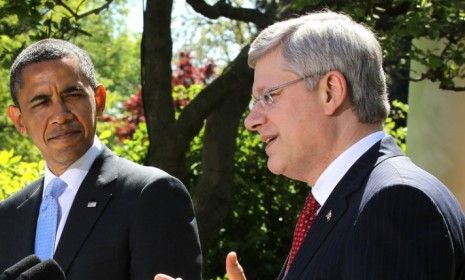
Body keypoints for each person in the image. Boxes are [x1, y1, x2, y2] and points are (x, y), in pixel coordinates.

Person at [155, 10, 465, 280]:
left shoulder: (393, 203)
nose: (251, 120)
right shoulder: (352, 199)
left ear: (330, 91)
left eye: (268, 96)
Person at [0, 38, 202, 280]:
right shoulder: (7, 217)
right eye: (42, 101)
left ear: (99, 99)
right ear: (19, 120)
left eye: (72, 94)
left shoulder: (151, 194)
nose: (61, 115)